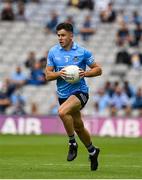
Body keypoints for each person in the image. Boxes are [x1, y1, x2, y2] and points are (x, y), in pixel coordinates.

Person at [45, 22, 102, 171]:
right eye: (58, 35)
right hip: (63, 95)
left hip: (80, 92)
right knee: (78, 126)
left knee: (62, 112)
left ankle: (72, 143)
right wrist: (60, 73)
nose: (60, 38)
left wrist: (86, 73)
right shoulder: (53, 52)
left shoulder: (83, 52)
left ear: (71, 36)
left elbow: (98, 69)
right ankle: (93, 151)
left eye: (63, 35)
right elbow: (48, 76)